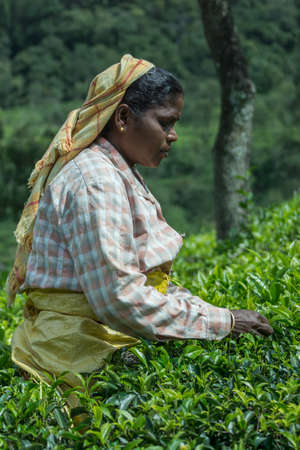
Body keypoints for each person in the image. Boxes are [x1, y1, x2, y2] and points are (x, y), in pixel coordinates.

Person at [7, 54, 273, 390]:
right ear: (123, 117)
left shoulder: (117, 170)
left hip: (93, 341)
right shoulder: (96, 181)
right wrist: (223, 322)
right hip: (74, 357)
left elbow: (141, 283)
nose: (173, 135)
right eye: (165, 123)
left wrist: (214, 313)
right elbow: (119, 297)